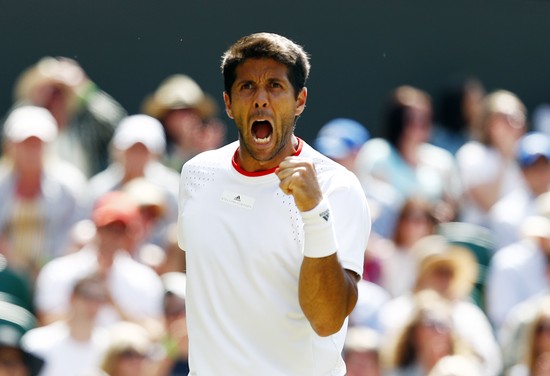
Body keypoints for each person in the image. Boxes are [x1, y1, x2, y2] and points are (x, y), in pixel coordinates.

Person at [177, 32, 371, 375]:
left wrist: (314, 212)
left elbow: (327, 320)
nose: (260, 100)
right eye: (247, 87)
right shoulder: (196, 176)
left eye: (276, 86)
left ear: (300, 101)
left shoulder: (335, 187)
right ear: (228, 103)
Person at [0, 105, 88, 281]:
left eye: (37, 144)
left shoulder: (70, 185)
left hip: (55, 276)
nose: (31, 150)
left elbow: (72, 235)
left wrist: (45, 267)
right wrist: (13, 262)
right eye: (25, 143)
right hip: (2, 273)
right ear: (10, 146)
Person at [34, 191, 165, 329]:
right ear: (96, 227)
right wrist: (85, 304)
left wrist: (112, 302)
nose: (113, 237)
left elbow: (155, 331)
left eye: (121, 230)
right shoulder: (58, 271)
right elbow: (46, 321)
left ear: (130, 235)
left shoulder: (145, 279)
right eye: (108, 228)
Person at [378, 234, 502, 376]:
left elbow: (490, 362)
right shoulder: (398, 310)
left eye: (449, 272)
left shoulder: (470, 314)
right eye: (438, 271)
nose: (445, 279)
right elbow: (385, 360)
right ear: (422, 274)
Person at [356, 85, 461, 225]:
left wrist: (443, 212)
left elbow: (452, 207)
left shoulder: (442, 160)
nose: (420, 125)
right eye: (411, 119)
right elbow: (373, 203)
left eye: (425, 118)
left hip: (429, 241)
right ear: (397, 121)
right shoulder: (377, 153)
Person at [11, 56, 127, 178]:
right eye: (48, 91)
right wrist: (35, 91)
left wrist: (86, 89)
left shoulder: (85, 126)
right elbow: (7, 132)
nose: (53, 99)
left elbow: (118, 124)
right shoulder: (26, 125)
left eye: (59, 93)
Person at [88, 114, 180, 253]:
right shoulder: (98, 188)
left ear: (156, 154)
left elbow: (177, 234)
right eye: (131, 149)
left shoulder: (172, 188)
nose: (136, 155)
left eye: (143, 150)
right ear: (117, 150)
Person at [455, 89, 528, 228]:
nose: (514, 124)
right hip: (481, 238)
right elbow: (489, 203)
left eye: (518, 117)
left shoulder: (530, 157)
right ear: (489, 122)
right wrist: (504, 156)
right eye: (506, 118)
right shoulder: (471, 154)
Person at [21, 274, 111, 376]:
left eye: (99, 299)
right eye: (87, 296)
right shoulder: (37, 342)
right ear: (72, 297)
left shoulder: (109, 346)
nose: (93, 305)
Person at [141, 73, 225, 172]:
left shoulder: (213, 148)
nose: (183, 118)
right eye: (174, 112)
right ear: (165, 118)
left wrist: (210, 150)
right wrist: (184, 146)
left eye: (188, 110)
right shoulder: (154, 147)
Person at [489, 131, 550, 250]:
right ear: (522, 171)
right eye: (534, 167)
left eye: (545, 166)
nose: (541, 173)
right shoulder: (505, 213)